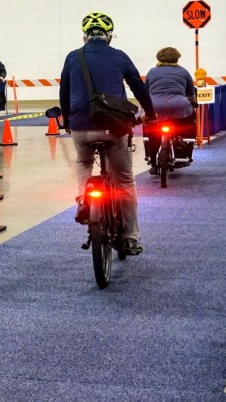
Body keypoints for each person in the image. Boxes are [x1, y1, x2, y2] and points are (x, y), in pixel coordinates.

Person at [58, 12, 156, 255]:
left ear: (84, 36)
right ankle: (131, 236)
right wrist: (151, 115)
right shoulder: (119, 56)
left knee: (83, 162)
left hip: (81, 126)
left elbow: (64, 92)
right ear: (109, 35)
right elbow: (139, 88)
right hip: (114, 127)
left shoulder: (73, 57)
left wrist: (67, 121)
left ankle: (84, 200)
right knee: (124, 180)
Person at [144, 47, 197, 174]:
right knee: (190, 118)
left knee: (152, 132)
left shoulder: (152, 72)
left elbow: (145, 92)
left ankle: (153, 164)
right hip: (179, 106)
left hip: (155, 106)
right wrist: (194, 103)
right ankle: (180, 137)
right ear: (177, 58)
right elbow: (190, 93)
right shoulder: (183, 72)